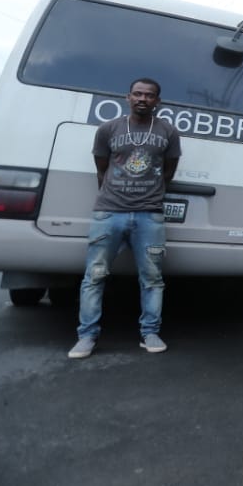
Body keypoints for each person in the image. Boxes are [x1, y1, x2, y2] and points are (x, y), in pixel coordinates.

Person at [69, 78, 181, 359]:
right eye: (138, 94)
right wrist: (114, 198)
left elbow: (168, 171)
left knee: (153, 279)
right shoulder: (108, 129)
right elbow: (102, 169)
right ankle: (87, 336)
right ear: (128, 97)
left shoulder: (168, 132)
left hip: (150, 215)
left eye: (150, 95)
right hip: (109, 212)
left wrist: (149, 195)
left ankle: (150, 332)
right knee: (94, 277)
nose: (143, 99)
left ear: (158, 101)